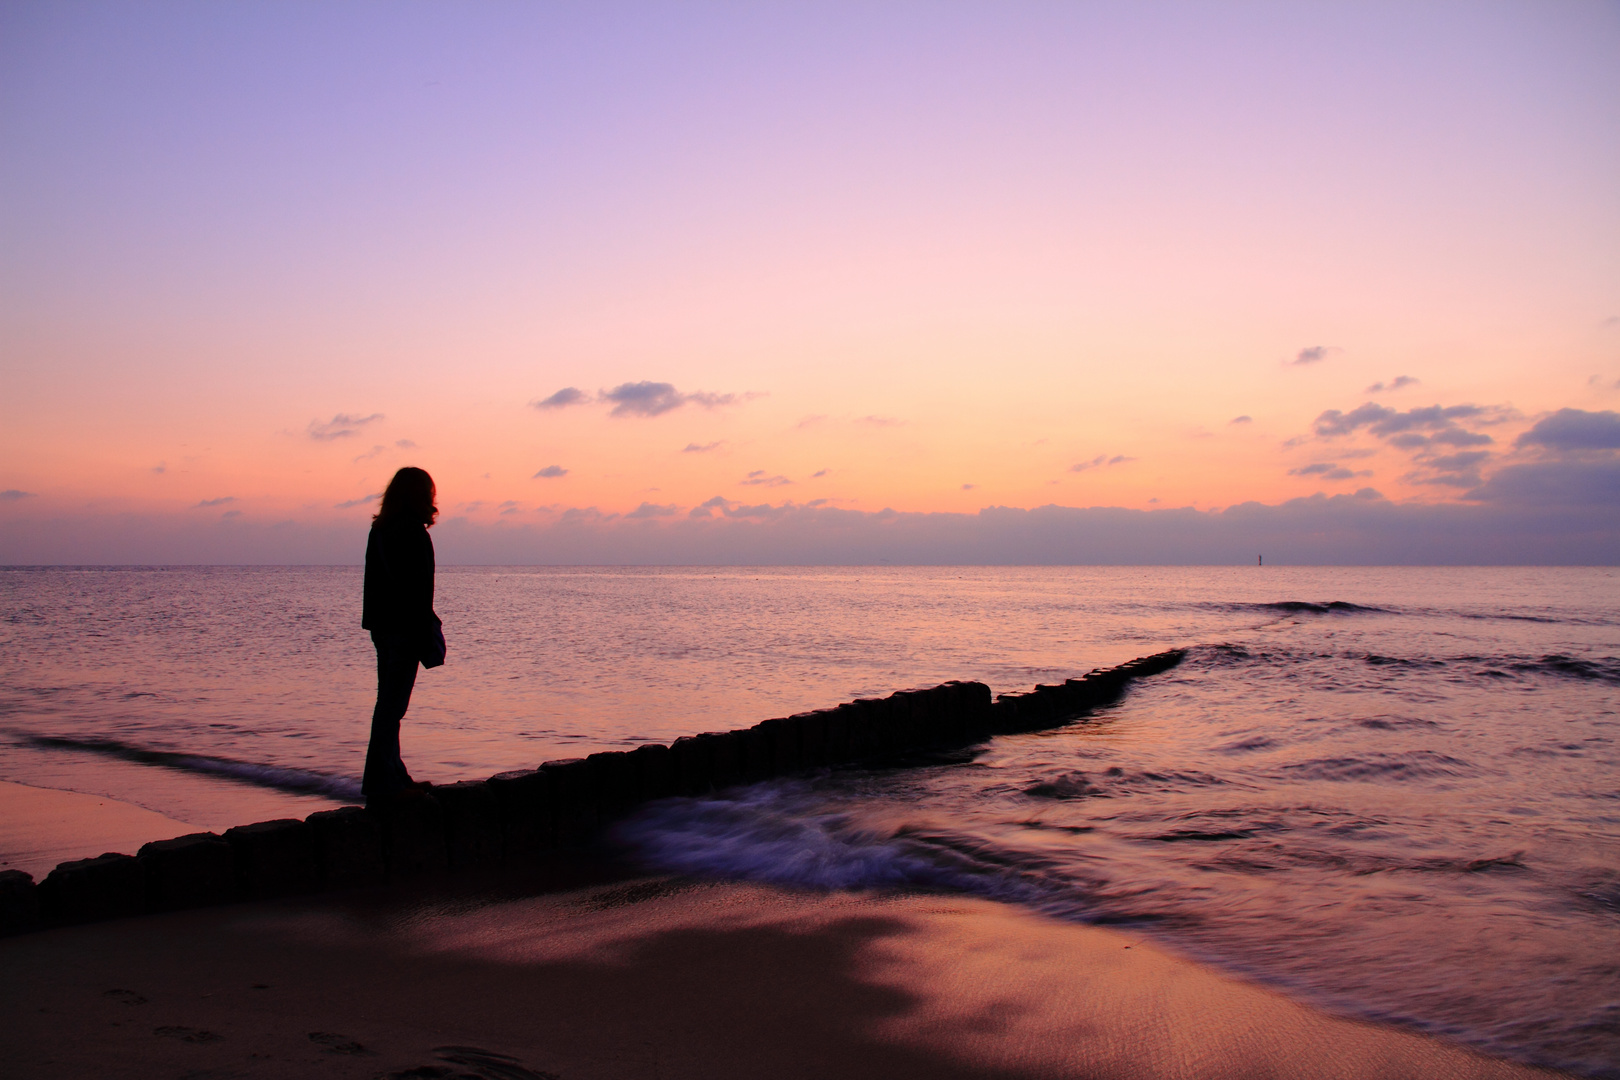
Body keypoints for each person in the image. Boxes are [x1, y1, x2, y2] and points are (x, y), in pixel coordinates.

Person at [360, 466, 443, 803]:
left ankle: (392, 775)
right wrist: (427, 629)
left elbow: (375, 584)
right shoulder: (412, 534)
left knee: (388, 705)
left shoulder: (379, 531)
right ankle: (383, 782)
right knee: (392, 707)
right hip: (405, 628)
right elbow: (419, 591)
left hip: (383, 627)